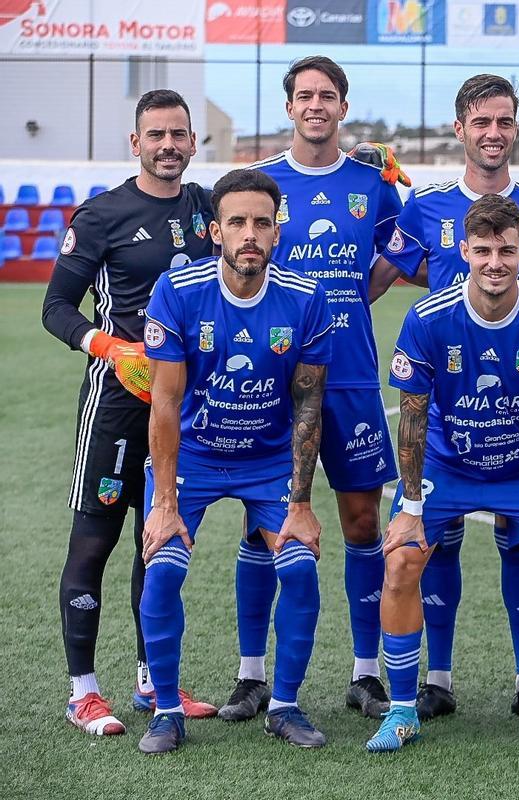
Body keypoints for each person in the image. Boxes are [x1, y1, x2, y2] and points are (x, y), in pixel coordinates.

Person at [369, 73, 519, 723]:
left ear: (516, 128)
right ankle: (440, 678)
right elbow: (388, 273)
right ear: (460, 129)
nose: (492, 133)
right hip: (450, 414)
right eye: (481, 122)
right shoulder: (424, 205)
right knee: (440, 541)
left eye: (504, 121)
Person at [222, 56, 407, 723]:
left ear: (343, 106)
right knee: (263, 522)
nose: (316, 105)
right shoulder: (263, 183)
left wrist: (362, 292)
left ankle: (365, 672)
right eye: (305, 96)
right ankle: (251, 675)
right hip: (274, 382)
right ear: (290, 106)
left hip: (352, 373)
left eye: (327, 95)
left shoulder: (371, 180)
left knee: (362, 521)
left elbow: (403, 250)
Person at [137, 168, 333, 754]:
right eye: (238, 222)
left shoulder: (305, 299)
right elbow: (165, 404)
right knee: (164, 568)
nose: (251, 233)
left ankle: (285, 705)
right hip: (192, 460)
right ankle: (166, 711)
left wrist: (300, 503)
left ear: (278, 231)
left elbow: (308, 407)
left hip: (270, 462)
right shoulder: (178, 291)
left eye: (262, 223)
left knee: (299, 567)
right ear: (216, 230)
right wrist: (165, 503)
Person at [41, 89, 217, 735]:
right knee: (95, 542)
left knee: (160, 539)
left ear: (193, 143)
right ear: (135, 142)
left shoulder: (207, 209)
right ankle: (83, 691)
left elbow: (269, 192)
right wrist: (111, 347)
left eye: (178, 134)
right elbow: (56, 307)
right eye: (156, 135)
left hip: (183, 407)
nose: (168, 145)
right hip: (118, 405)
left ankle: (153, 682)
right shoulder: (101, 215)